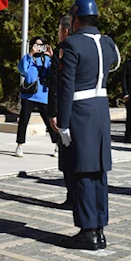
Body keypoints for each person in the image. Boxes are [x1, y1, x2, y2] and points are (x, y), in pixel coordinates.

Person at [57, 0, 121, 250]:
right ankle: (100, 228)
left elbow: (66, 87)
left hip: (80, 112)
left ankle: (87, 231)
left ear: (75, 20)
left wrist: (62, 123)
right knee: (99, 172)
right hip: (100, 111)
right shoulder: (107, 43)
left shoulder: (72, 45)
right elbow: (113, 63)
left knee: (82, 171)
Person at [15, 36, 58, 158]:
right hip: (29, 94)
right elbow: (22, 70)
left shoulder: (47, 60)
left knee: (50, 121)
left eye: (41, 45)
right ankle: (19, 145)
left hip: (43, 95)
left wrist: (52, 57)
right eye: (36, 45)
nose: (39, 48)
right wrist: (30, 54)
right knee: (23, 121)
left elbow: (55, 73)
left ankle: (57, 144)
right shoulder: (29, 58)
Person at [47, 15, 73, 207]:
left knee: (67, 157)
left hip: (66, 113)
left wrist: (53, 113)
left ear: (65, 31)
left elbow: (55, 84)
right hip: (82, 112)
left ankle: (72, 195)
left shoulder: (62, 51)